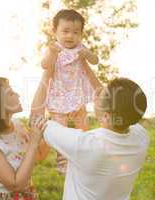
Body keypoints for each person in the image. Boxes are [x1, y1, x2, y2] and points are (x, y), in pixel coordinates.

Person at [30, 58, 149, 200]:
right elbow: (117, 103)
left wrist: (47, 74)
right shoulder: (141, 137)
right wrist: (84, 63)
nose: (96, 96)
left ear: (106, 116)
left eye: (101, 96)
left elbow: (35, 120)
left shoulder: (84, 144)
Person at [41, 9, 99, 174]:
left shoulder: (81, 48)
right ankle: (62, 163)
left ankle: (84, 157)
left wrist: (87, 54)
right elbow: (44, 65)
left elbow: (95, 61)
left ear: (81, 34)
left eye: (75, 32)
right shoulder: (55, 48)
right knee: (61, 132)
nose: (70, 36)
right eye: (65, 31)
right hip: (58, 96)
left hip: (76, 95)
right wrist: (52, 53)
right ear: (55, 31)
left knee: (83, 127)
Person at [0, 77, 49, 200]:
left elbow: (38, 155)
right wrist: (34, 141)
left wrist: (56, 124)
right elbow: (16, 185)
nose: (17, 95)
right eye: (10, 93)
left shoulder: (16, 125)